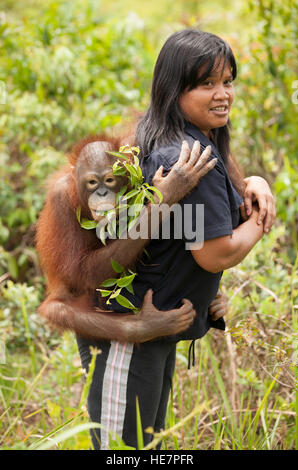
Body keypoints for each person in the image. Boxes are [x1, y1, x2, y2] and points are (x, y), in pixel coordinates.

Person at [76, 28, 276, 450]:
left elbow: (179, 234)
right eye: (207, 83)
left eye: (227, 81)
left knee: (143, 445)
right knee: (121, 451)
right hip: (129, 328)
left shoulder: (166, 137)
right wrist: (260, 221)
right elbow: (214, 254)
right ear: (174, 88)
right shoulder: (187, 159)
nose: (223, 94)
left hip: (155, 325)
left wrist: (255, 181)